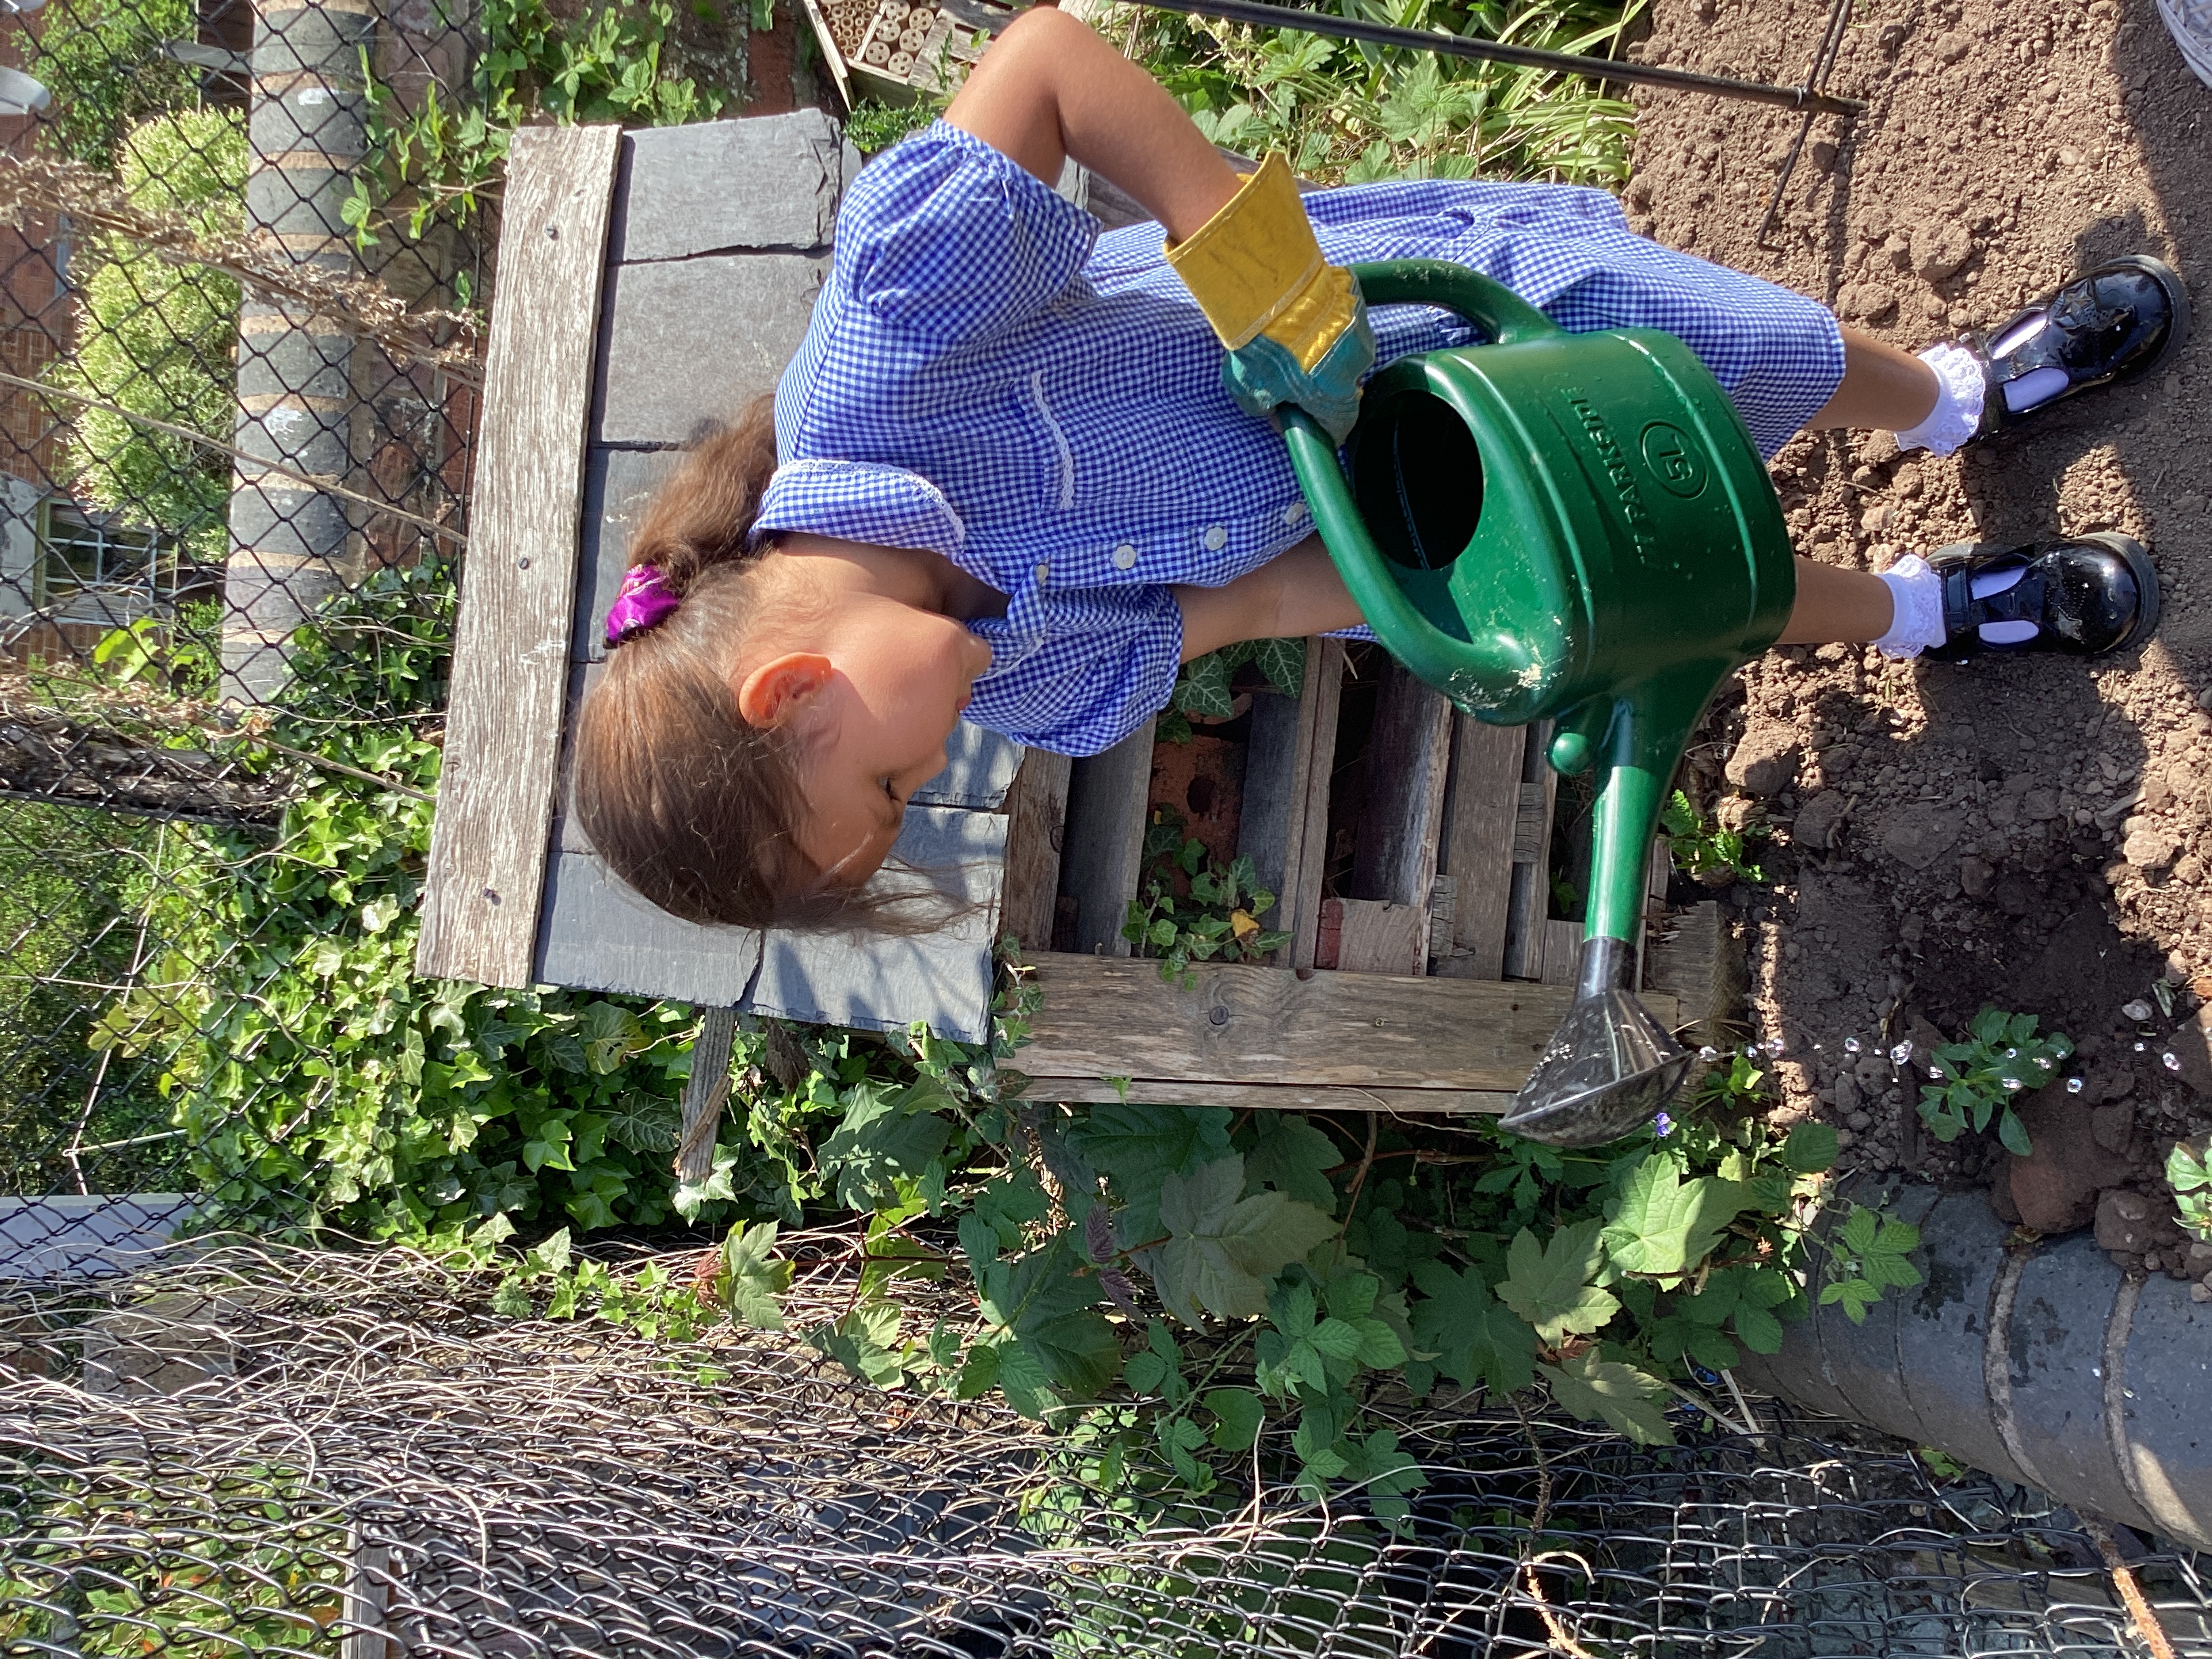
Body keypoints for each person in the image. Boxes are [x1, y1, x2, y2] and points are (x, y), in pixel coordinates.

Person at [572, 5, 2184, 933]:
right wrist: (1460, 619)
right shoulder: (1024, 675)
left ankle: (1956, 397)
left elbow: (1051, 64)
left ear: (791, 689)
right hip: (1404, 497)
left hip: (1429, 322)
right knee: (1666, 567)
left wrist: (1272, 288)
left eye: (891, 786)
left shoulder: (891, 364)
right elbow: (1261, 597)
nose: (939, 776)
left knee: (1742, 349)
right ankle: (1929, 614)